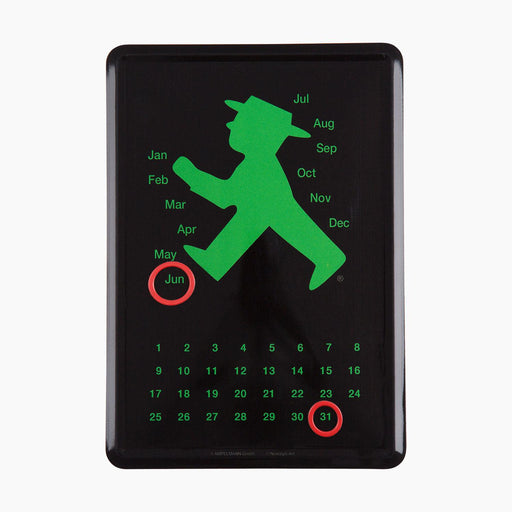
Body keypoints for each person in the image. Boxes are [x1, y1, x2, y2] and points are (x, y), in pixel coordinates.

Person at [172, 95, 345, 290]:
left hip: (271, 206)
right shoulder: (258, 162)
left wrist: (192, 176)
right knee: (255, 219)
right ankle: (214, 260)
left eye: (239, 123)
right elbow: (229, 196)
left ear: (259, 134)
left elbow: (225, 196)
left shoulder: (257, 165)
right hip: (267, 207)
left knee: (271, 221)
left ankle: (329, 257)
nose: (231, 126)